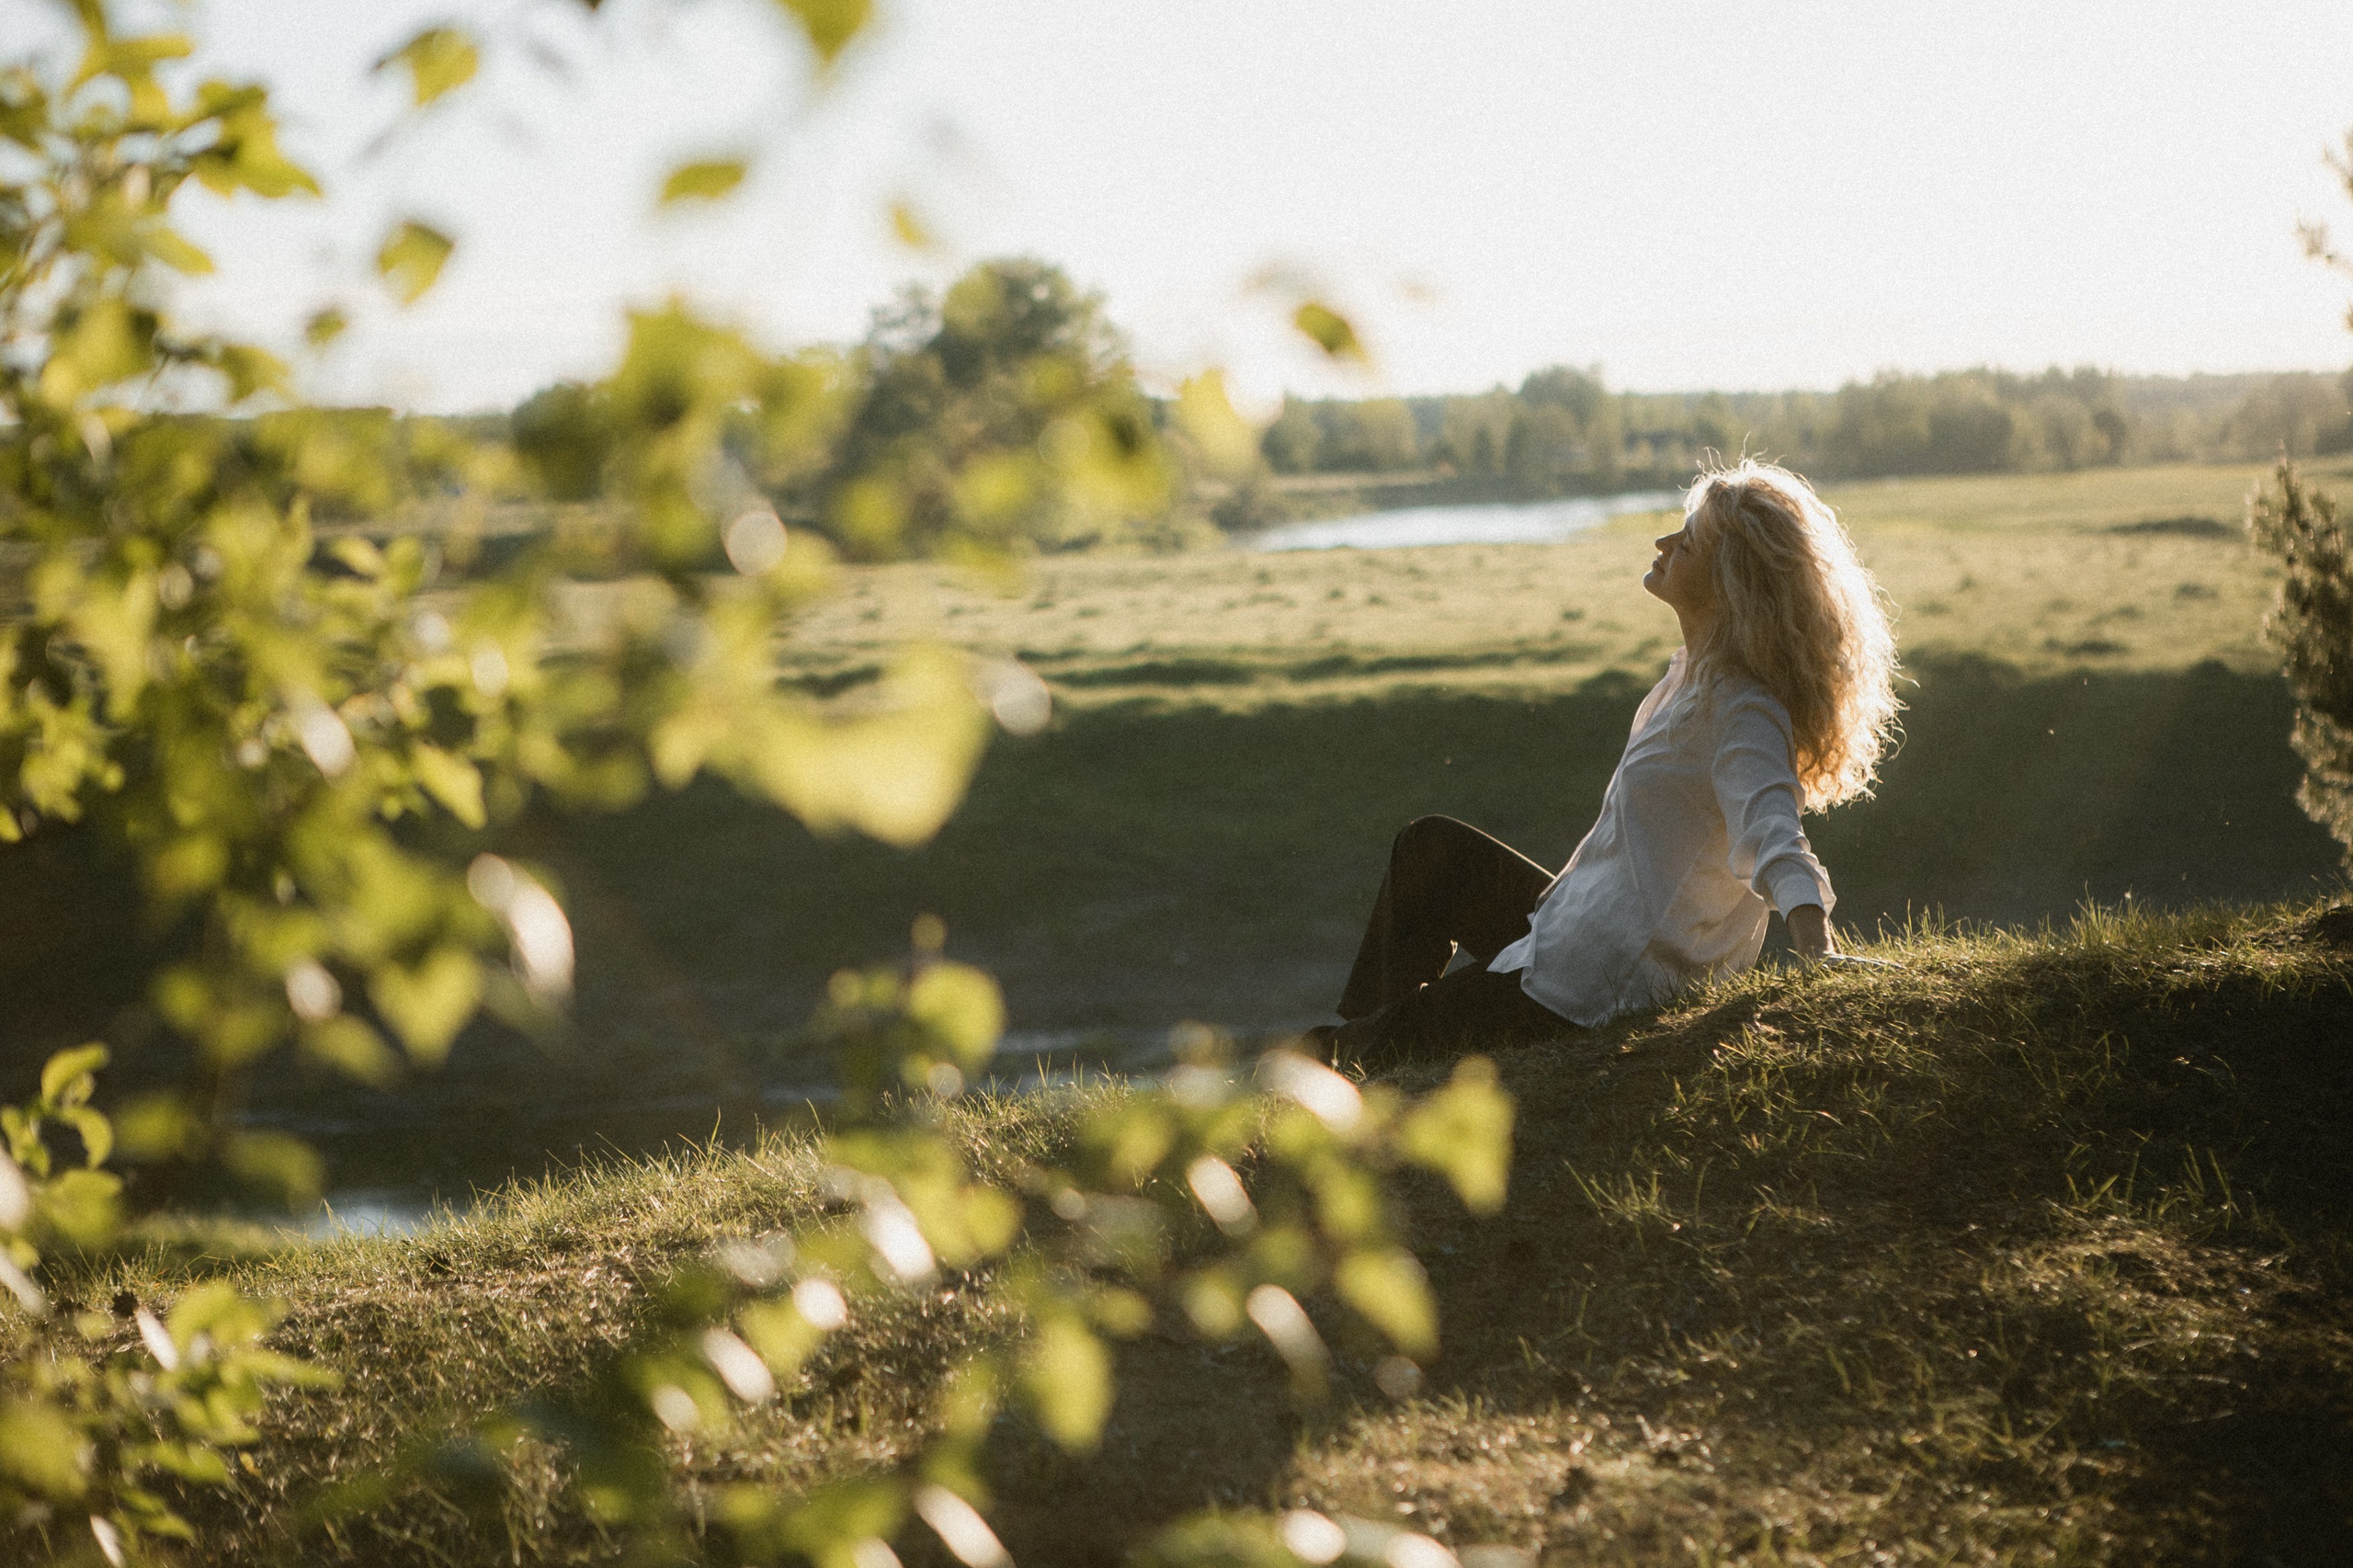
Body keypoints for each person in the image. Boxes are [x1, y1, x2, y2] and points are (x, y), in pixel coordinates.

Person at [1318, 458, 1902, 1068]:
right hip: (1577, 927)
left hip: (1601, 986)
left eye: (1689, 541)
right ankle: (1380, 1045)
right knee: (1429, 850)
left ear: (1731, 581)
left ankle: (1363, 1057)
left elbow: (1774, 835)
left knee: (1334, 1052)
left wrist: (1819, 949)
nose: (1664, 544)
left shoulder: (1742, 712)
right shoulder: (1692, 675)